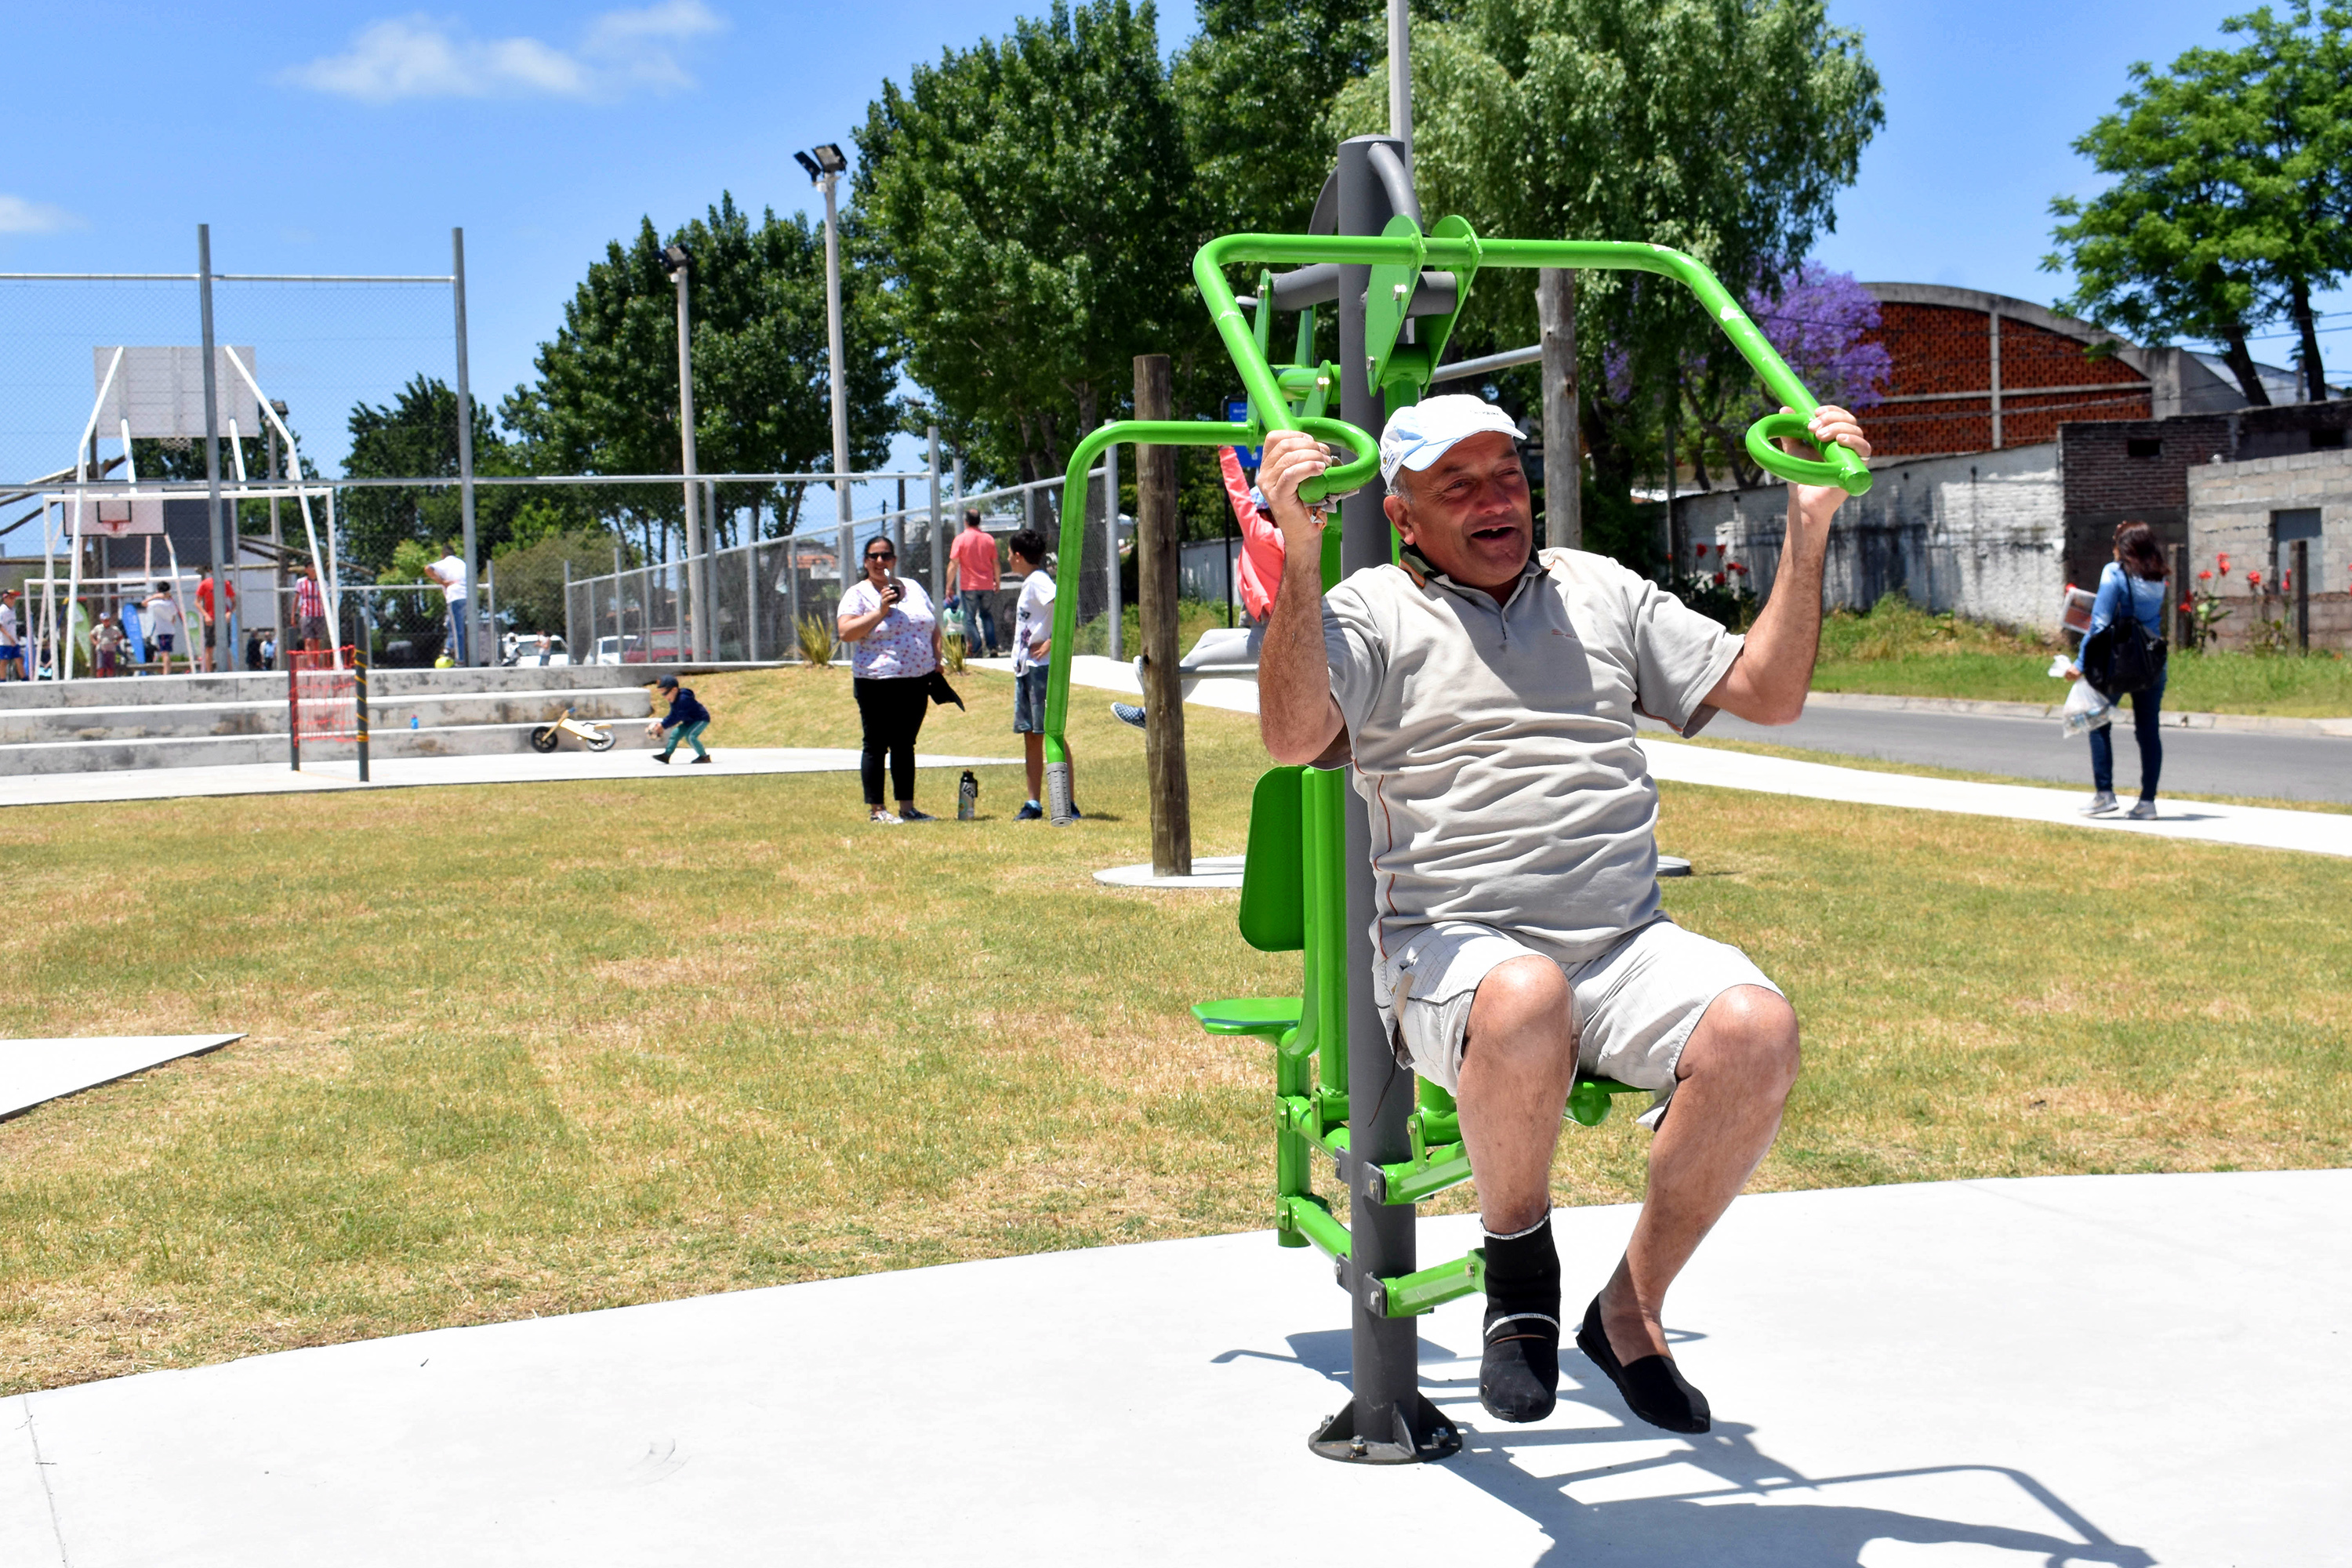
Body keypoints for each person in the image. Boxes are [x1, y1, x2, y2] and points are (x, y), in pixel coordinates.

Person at [1255, 391, 1870, 1433]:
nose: (1497, 501)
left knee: (1758, 1027)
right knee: (1526, 993)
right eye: (1459, 485)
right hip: (1452, 952)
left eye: (1508, 476)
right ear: (1403, 515)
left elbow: (1766, 692)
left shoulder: (1599, 590)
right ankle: (1520, 1278)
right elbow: (1289, 732)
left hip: (1622, 941)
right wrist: (1299, 563)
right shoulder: (1368, 608)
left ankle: (1629, 1310)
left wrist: (1809, 523)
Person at [2067, 521, 2171, 820]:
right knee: (2149, 731)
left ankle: (2105, 794)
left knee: (2097, 719)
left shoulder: (2113, 574)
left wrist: (2081, 663)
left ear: (2124, 548)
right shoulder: (2158, 578)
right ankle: (2147, 802)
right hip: (2151, 660)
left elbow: (2098, 625)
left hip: (2118, 659)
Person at [837, 535, 943, 823]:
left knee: (905, 744)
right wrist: (880, 611)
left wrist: (937, 660)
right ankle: (877, 810)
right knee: (876, 744)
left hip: (917, 679)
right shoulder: (858, 594)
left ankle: (907, 809)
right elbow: (846, 633)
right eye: (873, 556)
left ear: (894, 560)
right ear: (865, 561)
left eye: (885, 556)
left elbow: (932, 626)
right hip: (876, 681)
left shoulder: (914, 587)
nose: (880, 561)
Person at [1007, 528, 1079, 820]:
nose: (1008, 558)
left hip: (1041, 669)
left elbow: (1063, 604)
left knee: (1052, 733)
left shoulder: (1038, 581)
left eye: (1010, 553)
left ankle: (1067, 804)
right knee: (1032, 736)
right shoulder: (1031, 583)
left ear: (1019, 555)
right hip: (1026, 668)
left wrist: (1052, 641)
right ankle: (1034, 803)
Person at [946, 508, 1002, 656]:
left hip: (969, 586)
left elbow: (953, 564)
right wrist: (998, 581)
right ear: (979, 521)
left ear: (965, 522)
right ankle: (992, 646)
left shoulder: (960, 539)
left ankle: (976, 647)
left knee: (970, 619)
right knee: (986, 615)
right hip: (987, 585)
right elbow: (996, 563)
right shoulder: (988, 539)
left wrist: (948, 586)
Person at [652, 673, 713, 764]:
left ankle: (704, 757)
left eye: (665, 693)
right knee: (675, 734)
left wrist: (663, 725)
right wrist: (663, 724)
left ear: (674, 689)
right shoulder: (674, 700)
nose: (664, 696)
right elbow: (673, 714)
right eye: (662, 694)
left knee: (691, 737)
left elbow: (677, 717)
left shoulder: (683, 699)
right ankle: (666, 755)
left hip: (700, 719)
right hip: (689, 721)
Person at [425, 544, 470, 666]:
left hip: (455, 597)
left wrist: (442, 582)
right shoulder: (462, 563)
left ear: (443, 555)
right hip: (467, 596)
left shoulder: (446, 562)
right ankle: (448, 649)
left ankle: (460, 660)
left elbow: (428, 568)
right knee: (451, 624)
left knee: (457, 629)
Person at [194, 570, 234, 673]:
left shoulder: (226, 584)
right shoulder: (205, 584)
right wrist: (206, 615)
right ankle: (209, 673)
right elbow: (197, 602)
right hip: (211, 618)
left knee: (225, 647)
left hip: (223, 618)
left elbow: (234, 602)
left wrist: (229, 612)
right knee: (209, 647)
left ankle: (229, 672)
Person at [143, 583, 185, 674]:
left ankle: (166, 673)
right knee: (166, 653)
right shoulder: (171, 603)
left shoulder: (157, 603)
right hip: (170, 630)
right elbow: (174, 618)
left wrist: (154, 596)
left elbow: (144, 603)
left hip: (163, 631)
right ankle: (167, 671)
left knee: (165, 653)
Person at [294, 564, 327, 653]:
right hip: (306, 614)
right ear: (306, 569)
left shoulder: (322, 583)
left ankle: (316, 663)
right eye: (311, 566)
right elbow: (296, 598)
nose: (314, 568)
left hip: (319, 614)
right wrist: (293, 615)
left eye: (315, 566)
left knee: (317, 641)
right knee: (308, 640)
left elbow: (326, 600)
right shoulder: (301, 582)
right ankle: (310, 664)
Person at [91, 610, 125, 677]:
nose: (106, 622)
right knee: (100, 667)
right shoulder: (98, 628)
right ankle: (99, 681)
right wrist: (94, 642)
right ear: (101, 620)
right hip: (101, 649)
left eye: (107, 620)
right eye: (104, 620)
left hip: (111, 650)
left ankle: (110, 680)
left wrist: (116, 641)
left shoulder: (114, 629)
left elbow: (121, 636)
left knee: (110, 668)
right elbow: (91, 634)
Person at [0, 589, 23, 681]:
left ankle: (25, 679)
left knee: (19, 659)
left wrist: (15, 636)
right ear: (5, 598)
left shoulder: (13, 610)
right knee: (4, 662)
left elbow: (11, 625)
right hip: (4, 642)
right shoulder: (2, 610)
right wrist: (9, 637)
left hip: (14, 641)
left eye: (14, 597)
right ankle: (2, 681)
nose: (13, 600)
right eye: (11, 597)